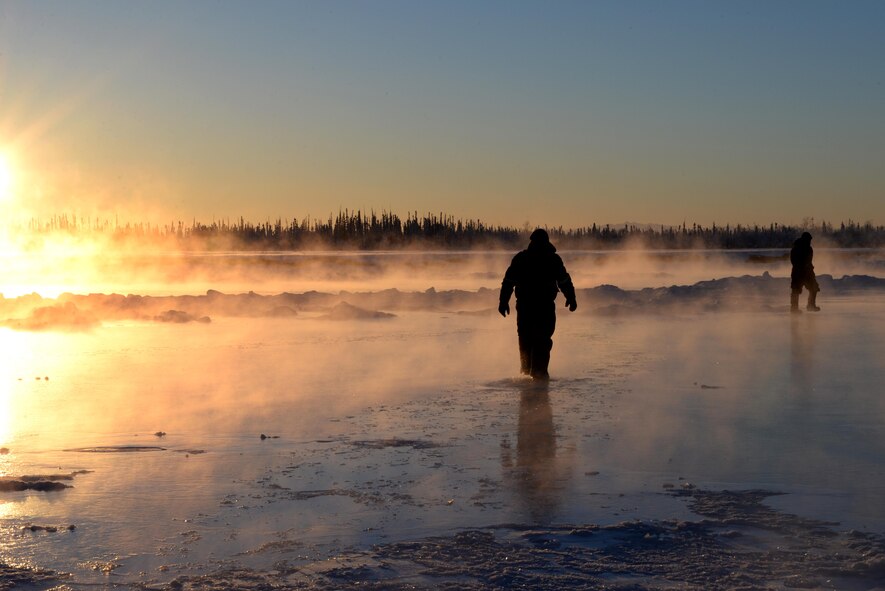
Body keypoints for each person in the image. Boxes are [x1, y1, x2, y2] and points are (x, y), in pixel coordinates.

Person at [498, 229, 577, 379]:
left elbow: (564, 280)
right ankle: (530, 372)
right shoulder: (526, 259)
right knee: (530, 340)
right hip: (530, 307)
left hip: (539, 307)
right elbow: (508, 281)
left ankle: (536, 373)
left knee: (537, 339)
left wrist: (571, 298)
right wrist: (503, 302)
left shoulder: (551, 260)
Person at [790, 231, 820, 312]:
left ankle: (811, 305)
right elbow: (794, 261)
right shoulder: (796, 248)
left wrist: (809, 269)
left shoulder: (809, 249)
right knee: (796, 290)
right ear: (805, 239)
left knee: (814, 288)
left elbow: (809, 261)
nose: (810, 242)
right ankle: (794, 308)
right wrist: (801, 268)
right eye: (809, 240)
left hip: (808, 273)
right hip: (798, 273)